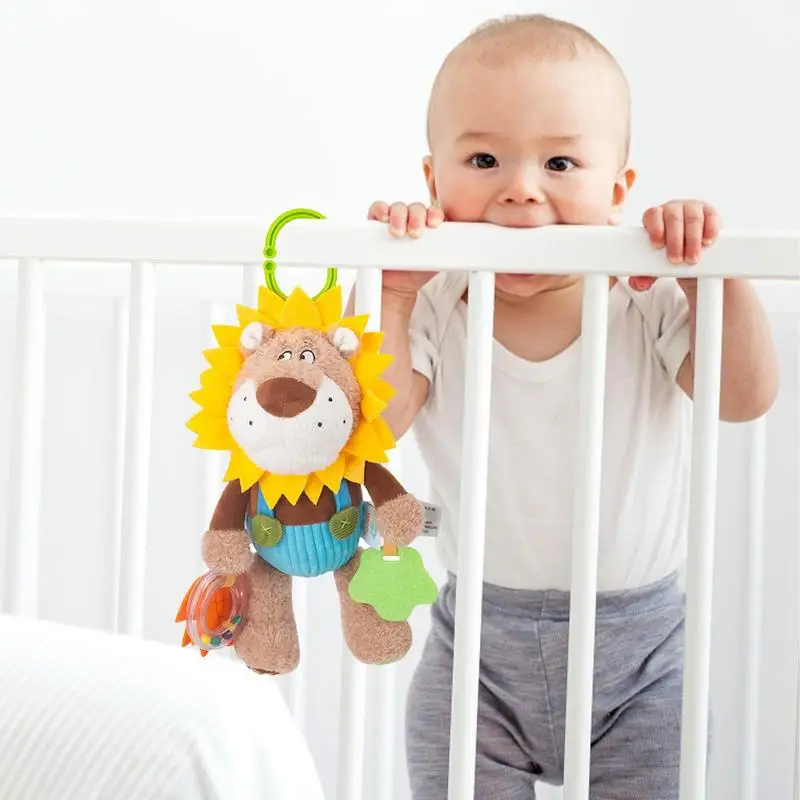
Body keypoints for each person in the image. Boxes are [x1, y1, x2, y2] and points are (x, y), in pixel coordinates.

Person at [360, 13, 779, 800]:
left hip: (643, 657)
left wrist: (710, 277)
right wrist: (391, 291)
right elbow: (376, 426)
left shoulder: (644, 294)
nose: (520, 187)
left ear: (619, 192)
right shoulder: (440, 302)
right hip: (477, 650)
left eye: (560, 161)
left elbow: (745, 398)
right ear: (431, 184)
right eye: (483, 158)